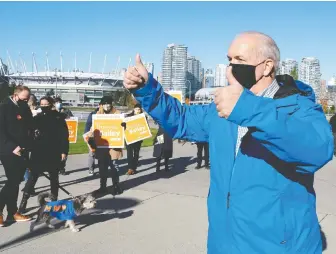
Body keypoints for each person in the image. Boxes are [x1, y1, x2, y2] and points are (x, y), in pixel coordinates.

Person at [123, 32, 334, 253]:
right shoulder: (221, 110)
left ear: (267, 66)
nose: (231, 67)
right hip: (224, 243)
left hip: (276, 246)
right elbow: (182, 118)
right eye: (229, 59)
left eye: (240, 60)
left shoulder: (298, 106)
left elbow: (317, 150)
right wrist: (146, 88)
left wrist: (248, 109)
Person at [19, 96, 69, 213]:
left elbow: (64, 137)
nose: (44, 106)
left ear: (51, 104)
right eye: (42, 104)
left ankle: (54, 202)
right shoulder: (37, 118)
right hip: (39, 151)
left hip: (54, 151)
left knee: (54, 178)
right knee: (33, 177)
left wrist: (64, 151)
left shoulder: (59, 118)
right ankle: (23, 201)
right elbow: (29, 133)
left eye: (46, 104)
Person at [0, 85, 33, 225]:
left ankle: (12, 212)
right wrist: (12, 146)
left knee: (16, 181)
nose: (26, 102)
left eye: (27, 100)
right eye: (23, 99)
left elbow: (29, 127)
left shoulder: (25, 108)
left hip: (23, 149)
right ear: (15, 95)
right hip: (8, 149)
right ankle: (7, 211)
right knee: (13, 179)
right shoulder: (4, 107)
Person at [86, 96, 123, 195]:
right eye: (105, 103)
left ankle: (116, 185)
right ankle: (103, 187)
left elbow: (123, 128)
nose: (107, 105)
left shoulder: (118, 114)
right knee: (102, 167)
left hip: (113, 146)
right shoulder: (98, 114)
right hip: (102, 147)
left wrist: (124, 126)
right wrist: (88, 135)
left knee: (114, 167)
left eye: (109, 103)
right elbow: (93, 128)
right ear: (101, 105)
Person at [124, 104, 145, 175]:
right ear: (134, 109)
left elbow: (145, 128)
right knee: (129, 153)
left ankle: (134, 168)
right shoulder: (128, 117)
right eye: (136, 109)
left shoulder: (143, 118)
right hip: (129, 138)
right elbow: (124, 125)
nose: (138, 111)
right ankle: (130, 168)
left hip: (138, 138)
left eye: (139, 109)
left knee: (136, 154)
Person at [54, 97, 73, 175]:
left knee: (64, 152)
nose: (58, 103)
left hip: (64, 132)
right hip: (54, 134)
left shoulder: (66, 110)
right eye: (56, 102)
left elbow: (72, 118)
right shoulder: (52, 111)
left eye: (59, 102)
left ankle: (62, 168)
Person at [85, 105, 100, 175]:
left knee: (101, 154)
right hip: (92, 137)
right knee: (92, 153)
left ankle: (101, 168)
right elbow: (87, 125)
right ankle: (91, 169)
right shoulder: (92, 115)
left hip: (101, 137)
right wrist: (86, 136)